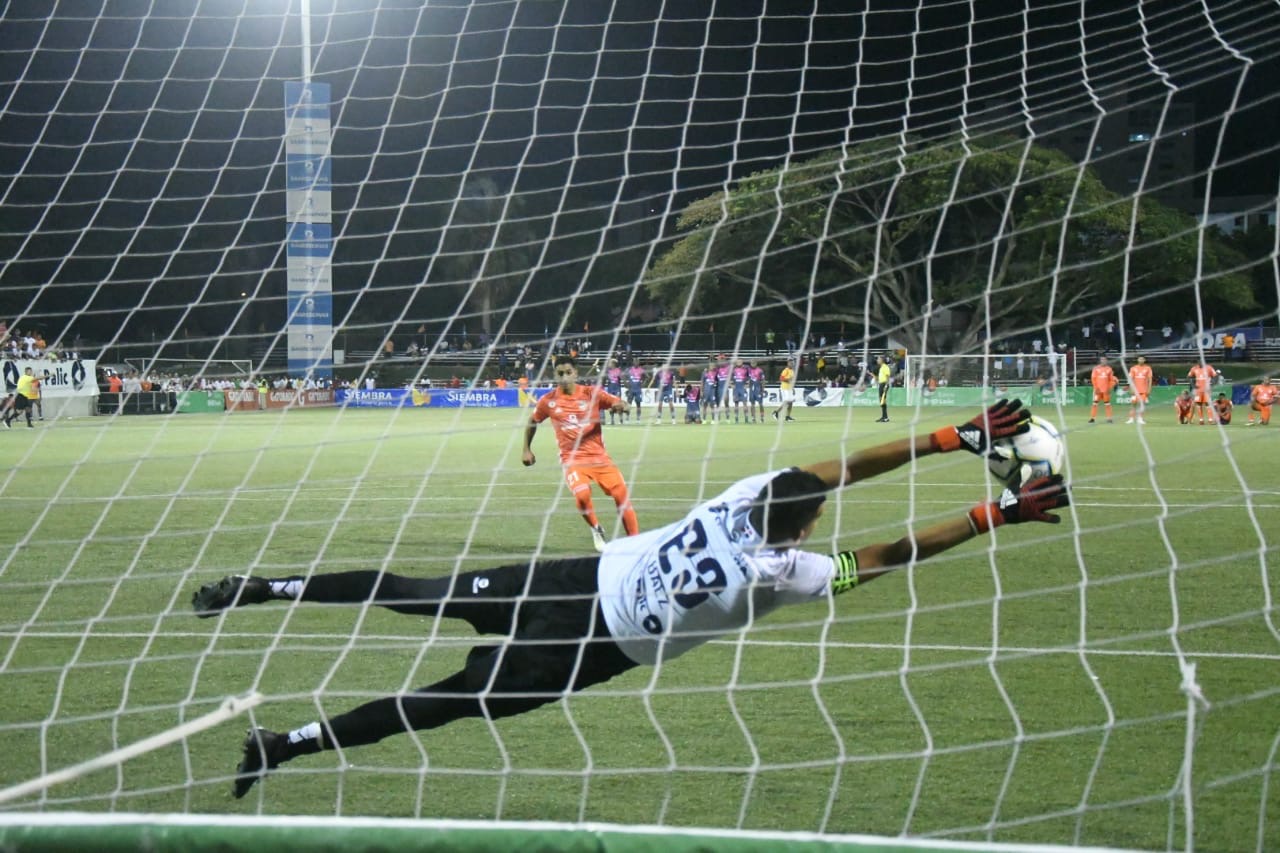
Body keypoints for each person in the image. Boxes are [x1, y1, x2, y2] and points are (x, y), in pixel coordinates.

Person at [190, 400, 1068, 799]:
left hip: (573, 580)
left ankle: (263, 595)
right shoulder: (781, 574)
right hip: (592, 642)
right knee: (440, 704)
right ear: (800, 527)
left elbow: (846, 468)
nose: (823, 499)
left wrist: (946, 436)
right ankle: (284, 742)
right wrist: (992, 512)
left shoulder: (741, 495)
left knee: (412, 594)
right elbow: (886, 553)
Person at [522, 356, 638, 552]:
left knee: (621, 495)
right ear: (554, 375)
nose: (565, 377)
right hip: (572, 459)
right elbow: (532, 421)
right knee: (583, 495)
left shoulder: (591, 394)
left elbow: (619, 402)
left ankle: (636, 543)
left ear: (575, 373)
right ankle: (596, 528)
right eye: (560, 373)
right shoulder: (547, 401)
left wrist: (623, 407)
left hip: (599, 457)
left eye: (568, 372)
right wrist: (526, 449)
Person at [1187, 362, 1218, 426]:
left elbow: (1215, 376)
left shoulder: (1209, 368)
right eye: (1198, 362)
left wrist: (1213, 385)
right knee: (1198, 403)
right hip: (1198, 390)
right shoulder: (1194, 368)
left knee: (1208, 403)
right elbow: (1189, 377)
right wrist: (1193, 385)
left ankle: (1210, 420)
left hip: (1207, 390)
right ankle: (1201, 420)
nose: (1200, 363)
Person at [1088, 355, 1116, 423]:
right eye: (1102, 359)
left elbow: (1111, 380)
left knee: (1107, 404)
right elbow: (1093, 379)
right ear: (1100, 361)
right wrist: (1096, 387)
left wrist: (1109, 388)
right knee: (1095, 403)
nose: (1103, 361)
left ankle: (1109, 418)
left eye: (1104, 359)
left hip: (1106, 390)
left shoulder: (1109, 369)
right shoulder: (1096, 368)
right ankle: (1092, 418)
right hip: (1098, 390)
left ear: (1106, 361)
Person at [1126, 356, 1153, 425]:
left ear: (1144, 360)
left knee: (1142, 405)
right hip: (1135, 390)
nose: (1141, 360)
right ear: (1137, 360)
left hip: (1144, 390)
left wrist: (1149, 388)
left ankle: (1140, 419)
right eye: (1139, 359)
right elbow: (1130, 379)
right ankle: (1131, 419)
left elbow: (1150, 379)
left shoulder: (1148, 368)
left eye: (1142, 359)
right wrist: (1131, 389)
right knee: (1133, 405)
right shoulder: (1133, 368)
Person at [875, 355, 892, 423]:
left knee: (882, 400)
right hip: (881, 384)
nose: (877, 360)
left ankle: (885, 417)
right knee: (881, 400)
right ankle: (884, 417)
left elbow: (887, 376)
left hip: (884, 384)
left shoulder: (885, 367)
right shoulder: (882, 367)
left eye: (878, 359)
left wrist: (886, 385)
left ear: (882, 360)